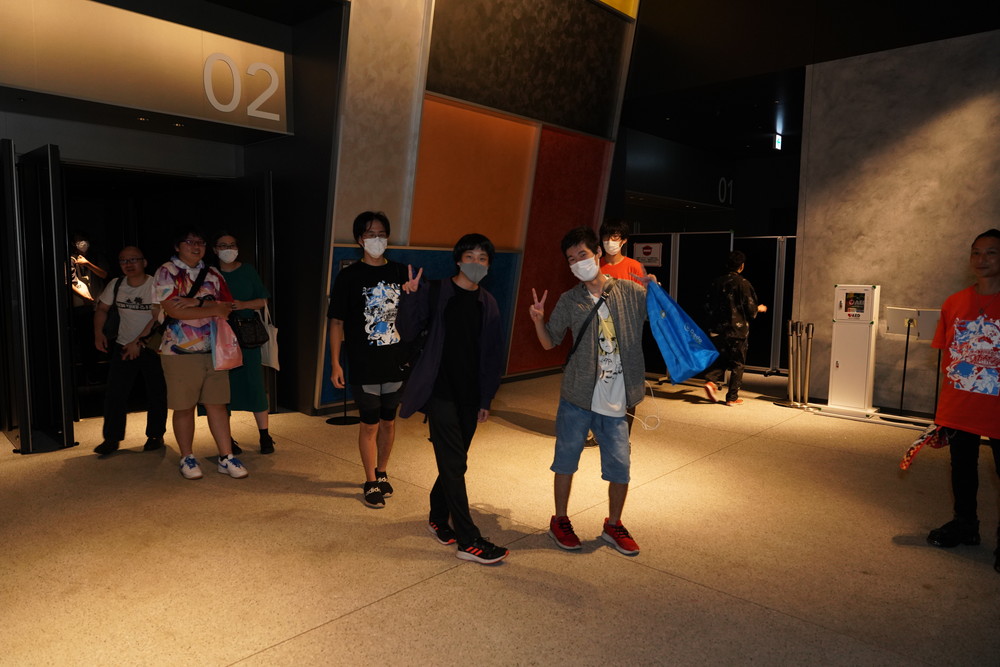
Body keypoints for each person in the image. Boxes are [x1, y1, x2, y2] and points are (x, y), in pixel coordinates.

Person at [529, 226, 652, 556]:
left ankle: (614, 524)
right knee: (565, 460)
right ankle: (560, 520)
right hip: (578, 396)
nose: (577, 262)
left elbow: (662, 318)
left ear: (598, 253)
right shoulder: (570, 300)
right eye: (571, 259)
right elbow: (549, 342)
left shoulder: (630, 291)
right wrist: (538, 320)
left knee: (620, 465)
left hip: (618, 397)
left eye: (582, 254)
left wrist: (655, 291)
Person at [397, 233, 508, 564]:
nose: (476, 263)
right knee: (454, 462)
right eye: (470, 257)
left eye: (483, 259)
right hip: (440, 391)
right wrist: (411, 297)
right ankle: (468, 540)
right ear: (458, 260)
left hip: (470, 395)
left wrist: (486, 399)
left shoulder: (488, 302)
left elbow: (492, 355)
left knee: (454, 461)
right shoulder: (435, 291)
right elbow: (407, 330)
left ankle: (437, 516)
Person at [926, 228, 1000, 574]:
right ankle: (966, 524)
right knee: (962, 469)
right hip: (960, 406)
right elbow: (949, 360)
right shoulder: (954, 302)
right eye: (976, 252)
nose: (981, 260)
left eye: (991, 252)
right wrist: (944, 412)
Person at [152, 228, 248, 480]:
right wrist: (212, 308)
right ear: (177, 246)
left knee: (218, 404)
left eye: (201, 243)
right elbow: (175, 311)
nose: (196, 247)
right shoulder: (166, 271)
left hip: (215, 349)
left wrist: (199, 303)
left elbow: (227, 307)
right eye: (190, 242)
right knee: (184, 407)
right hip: (179, 351)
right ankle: (187, 457)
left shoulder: (213, 273)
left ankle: (226, 457)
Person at [327, 212, 409, 508]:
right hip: (363, 361)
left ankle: (382, 472)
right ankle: (370, 480)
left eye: (382, 234)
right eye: (370, 234)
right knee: (369, 424)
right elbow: (336, 322)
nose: (377, 239)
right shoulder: (349, 276)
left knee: (389, 421)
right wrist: (336, 363)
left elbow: (416, 315)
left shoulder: (401, 272)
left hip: (395, 359)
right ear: (359, 239)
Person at [91, 246, 167, 455]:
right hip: (123, 345)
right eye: (123, 260)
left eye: (133, 259)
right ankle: (111, 438)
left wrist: (138, 342)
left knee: (156, 392)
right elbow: (102, 308)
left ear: (144, 262)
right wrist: (98, 333)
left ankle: (155, 435)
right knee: (115, 393)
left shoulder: (155, 284)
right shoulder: (116, 284)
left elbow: (158, 317)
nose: (128, 264)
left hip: (152, 347)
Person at [213, 231, 275, 455]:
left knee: (255, 385)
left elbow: (262, 300)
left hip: (248, 336)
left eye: (232, 245)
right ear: (215, 250)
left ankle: (265, 435)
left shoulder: (247, 270)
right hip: (221, 337)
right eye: (223, 245)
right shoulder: (211, 274)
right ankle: (227, 438)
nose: (228, 249)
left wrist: (242, 304)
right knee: (223, 390)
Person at [702, 250, 767, 406]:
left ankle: (711, 381)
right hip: (737, 330)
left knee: (723, 358)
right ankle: (732, 397)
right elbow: (750, 310)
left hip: (718, 329)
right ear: (741, 266)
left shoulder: (716, 282)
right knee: (738, 363)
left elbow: (707, 305)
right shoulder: (744, 284)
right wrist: (759, 308)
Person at [599, 219, 645, 284]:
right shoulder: (595, 266)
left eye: (615, 236)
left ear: (624, 240)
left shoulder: (635, 267)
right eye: (606, 236)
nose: (609, 240)